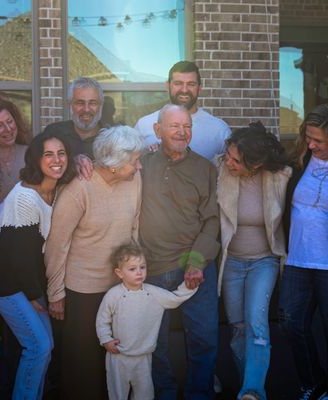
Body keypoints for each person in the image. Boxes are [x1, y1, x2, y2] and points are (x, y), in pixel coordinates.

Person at [0, 131, 75, 399]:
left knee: (46, 345)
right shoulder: (26, 197)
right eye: (48, 154)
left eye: (61, 153)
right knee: (38, 346)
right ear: (36, 159)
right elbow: (19, 254)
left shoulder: (57, 189)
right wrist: (32, 296)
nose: (56, 160)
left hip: (26, 277)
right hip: (2, 279)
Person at [44, 125, 144, 400]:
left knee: (114, 361)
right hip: (83, 291)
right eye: (134, 161)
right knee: (83, 365)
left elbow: (133, 228)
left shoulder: (134, 180)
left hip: (119, 287)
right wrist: (56, 293)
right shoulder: (78, 190)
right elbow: (56, 245)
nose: (139, 166)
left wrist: (133, 275)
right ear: (114, 164)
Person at [139, 104, 220, 399]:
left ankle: (200, 394)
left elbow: (212, 221)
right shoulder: (142, 163)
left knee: (204, 339)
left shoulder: (205, 168)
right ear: (158, 130)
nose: (181, 132)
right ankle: (165, 394)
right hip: (151, 267)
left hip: (193, 265)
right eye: (174, 126)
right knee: (154, 343)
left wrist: (196, 261)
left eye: (186, 126)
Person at [217, 122, 291, 400]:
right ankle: (246, 386)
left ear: (257, 163)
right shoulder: (219, 170)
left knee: (257, 322)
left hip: (264, 261)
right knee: (237, 328)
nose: (229, 162)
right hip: (231, 262)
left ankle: (253, 391)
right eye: (228, 155)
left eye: (236, 160)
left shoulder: (280, 176)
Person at [96, 243, 199, 400]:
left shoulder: (153, 293)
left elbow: (176, 298)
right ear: (119, 272)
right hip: (118, 356)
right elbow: (102, 320)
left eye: (142, 267)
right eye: (132, 269)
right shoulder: (113, 295)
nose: (139, 272)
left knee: (145, 395)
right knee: (118, 395)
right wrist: (106, 340)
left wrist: (191, 284)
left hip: (144, 357)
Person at [279, 104, 328, 400]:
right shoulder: (299, 160)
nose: (311, 144)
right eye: (308, 137)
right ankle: (313, 383)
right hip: (298, 260)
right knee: (291, 323)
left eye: (319, 140)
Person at [135, 60, 231, 161]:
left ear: (200, 87)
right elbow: (120, 169)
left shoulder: (219, 130)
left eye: (191, 84)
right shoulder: (144, 125)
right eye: (178, 83)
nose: (184, 90)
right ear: (167, 86)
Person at [43, 76, 104, 160]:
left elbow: (116, 171)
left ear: (101, 105)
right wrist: (72, 164)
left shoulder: (113, 138)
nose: (86, 109)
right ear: (69, 105)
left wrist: (102, 168)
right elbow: (38, 166)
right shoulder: (53, 132)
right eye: (80, 103)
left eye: (92, 103)